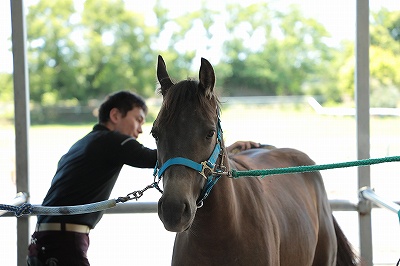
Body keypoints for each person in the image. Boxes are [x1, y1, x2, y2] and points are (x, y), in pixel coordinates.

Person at [26, 90, 259, 266]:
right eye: (137, 119)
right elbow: (161, 157)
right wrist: (222, 151)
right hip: (65, 240)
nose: (139, 129)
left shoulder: (85, 142)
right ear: (115, 115)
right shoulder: (112, 141)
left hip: (46, 238)